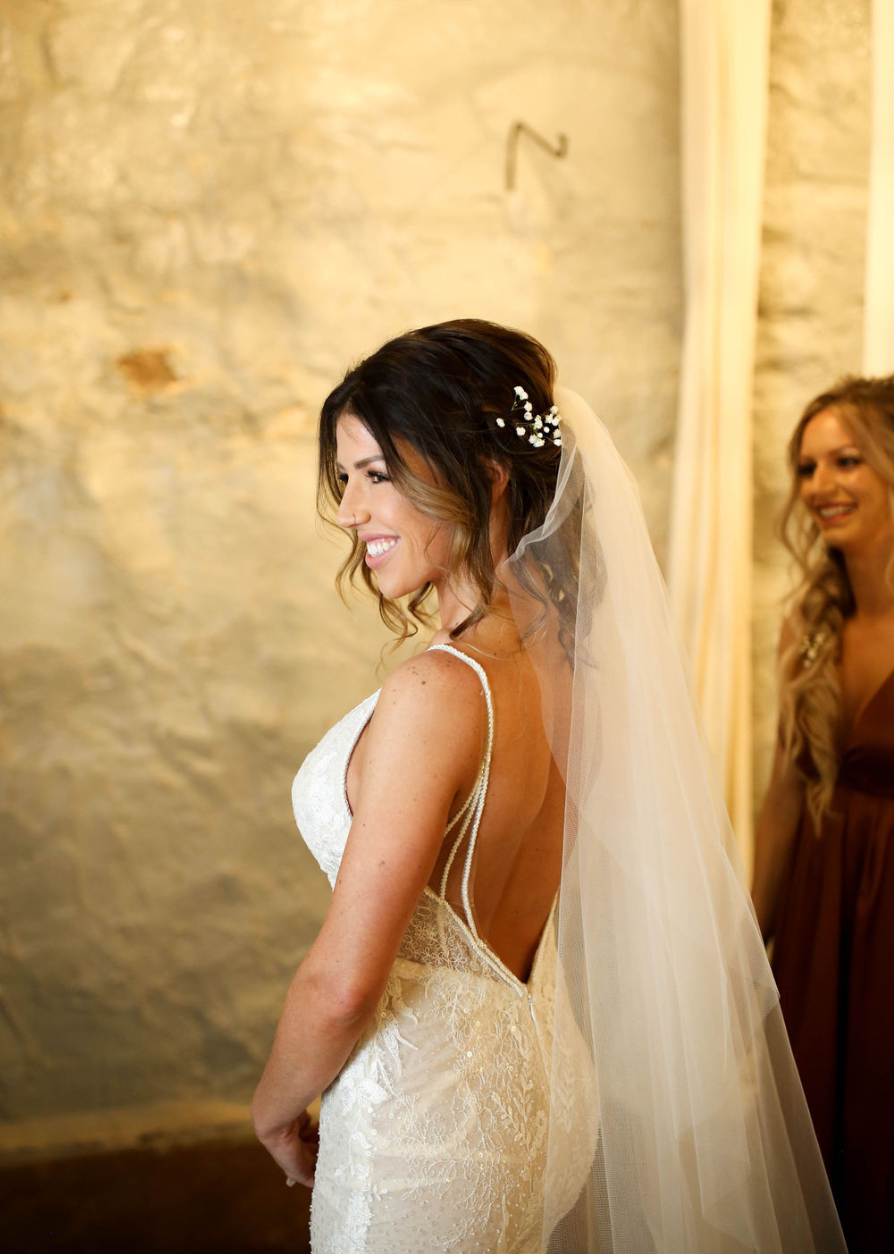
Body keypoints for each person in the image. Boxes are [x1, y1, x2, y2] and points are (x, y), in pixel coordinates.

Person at [254, 320, 845, 1253]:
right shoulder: (577, 675)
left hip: (427, 1129)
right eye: (344, 478)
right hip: (546, 1096)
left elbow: (342, 983)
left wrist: (274, 1108)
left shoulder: (437, 690)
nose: (349, 511)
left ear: (487, 472)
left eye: (376, 474)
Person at [752, 375, 894, 1254]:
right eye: (806, 467)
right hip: (820, 917)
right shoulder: (804, 626)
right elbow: (780, 799)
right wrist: (748, 952)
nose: (819, 485)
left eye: (846, 461)